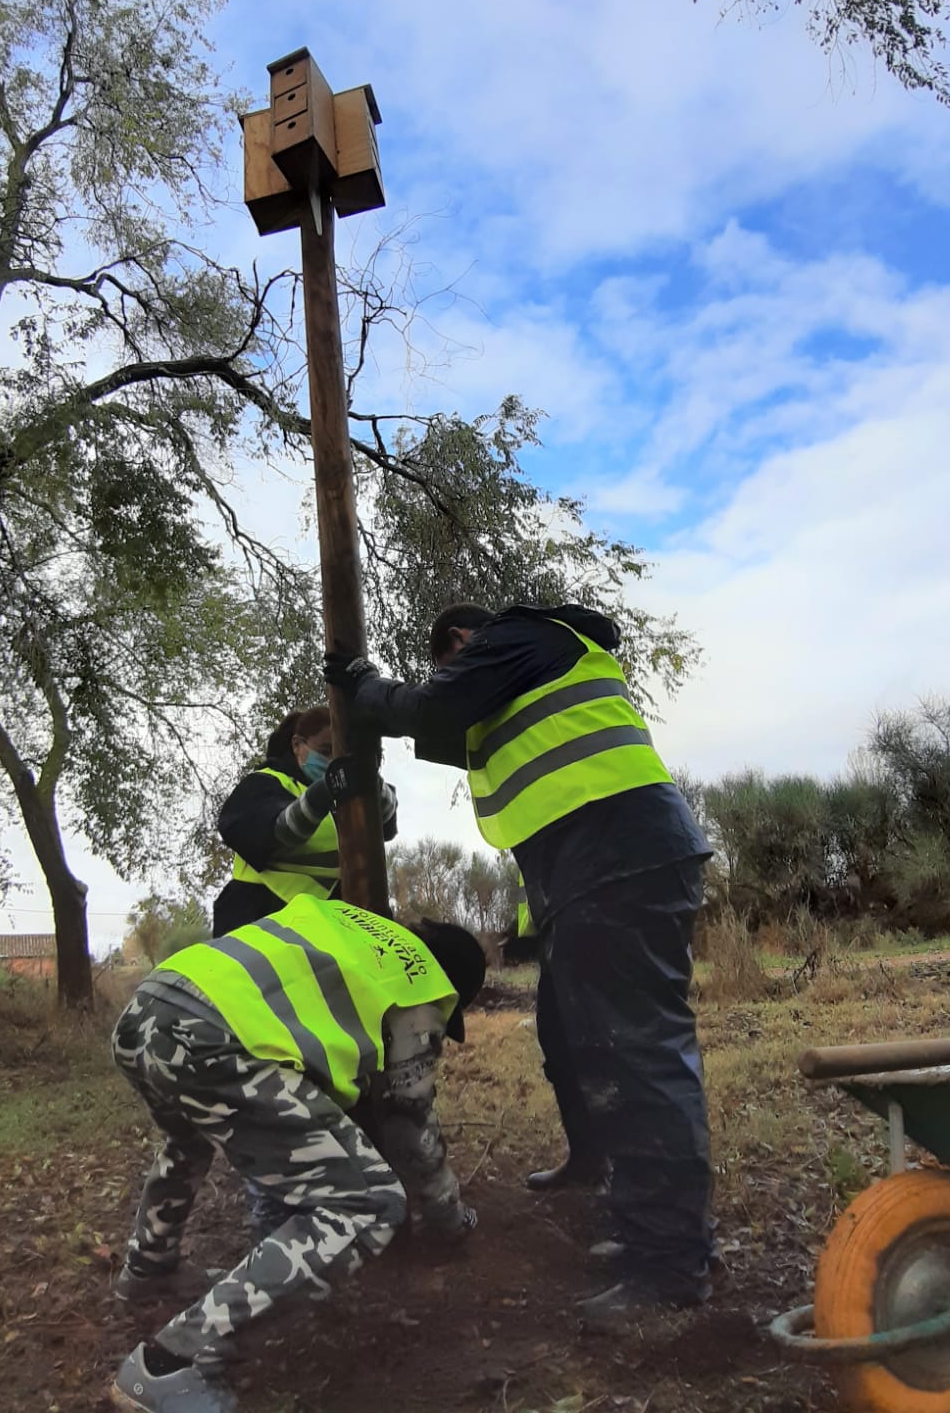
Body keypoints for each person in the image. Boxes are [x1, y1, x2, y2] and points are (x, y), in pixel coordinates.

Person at [325, 602, 715, 1321]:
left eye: (450, 658)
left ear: (463, 641)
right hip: (602, 863)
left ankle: (667, 1270)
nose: (451, 669)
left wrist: (363, 681)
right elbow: (432, 725)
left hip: (616, 856)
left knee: (638, 1056)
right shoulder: (514, 683)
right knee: (593, 1050)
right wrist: (362, 723)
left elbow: (433, 704)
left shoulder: (517, 636)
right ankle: (654, 1237)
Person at [109, 894, 487, 1413]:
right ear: (454, 986)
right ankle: (174, 1363)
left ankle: (147, 1270)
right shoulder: (420, 980)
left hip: (147, 1010)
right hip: (215, 1037)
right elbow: (410, 1124)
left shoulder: (351, 929)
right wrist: (449, 1216)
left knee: (187, 1141)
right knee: (371, 1202)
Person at [212, 705, 399, 937]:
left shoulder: (344, 799)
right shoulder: (265, 783)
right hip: (261, 922)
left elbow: (387, 826)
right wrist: (326, 789)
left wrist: (371, 778)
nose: (333, 760)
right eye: (325, 750)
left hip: (334, 925)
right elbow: (280, 832)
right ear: (297, 745)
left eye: (339, 753)